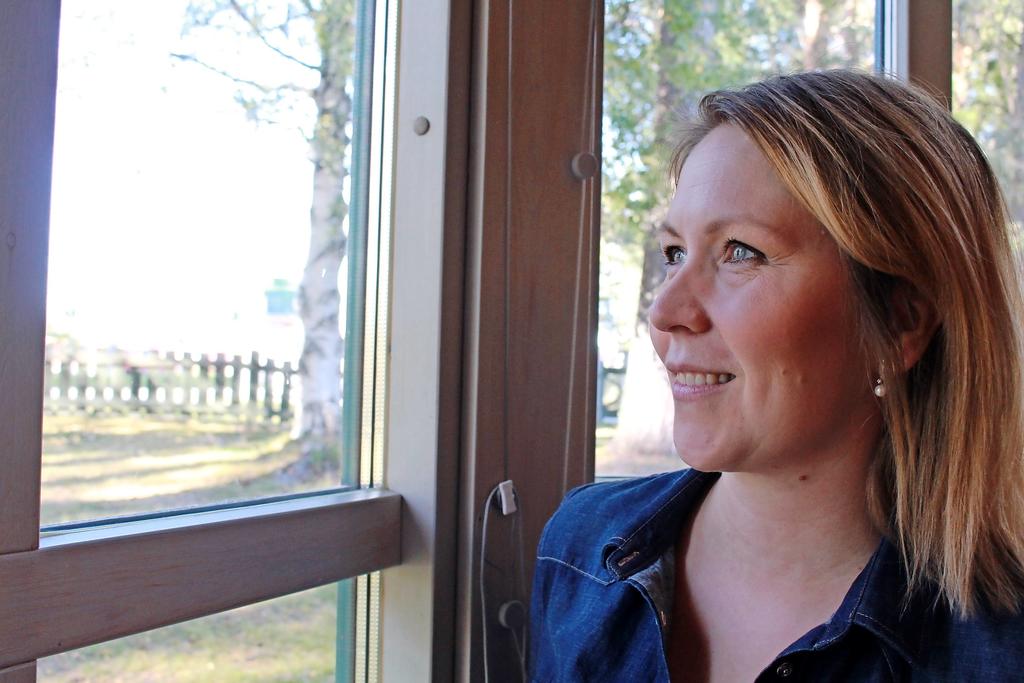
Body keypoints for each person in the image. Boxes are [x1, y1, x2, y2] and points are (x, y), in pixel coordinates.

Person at [530, 69, 1024, 682]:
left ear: (901, 323)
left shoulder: (999, 648)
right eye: (675, 253)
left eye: (741, 252)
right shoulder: (581, 551)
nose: (665, 311)